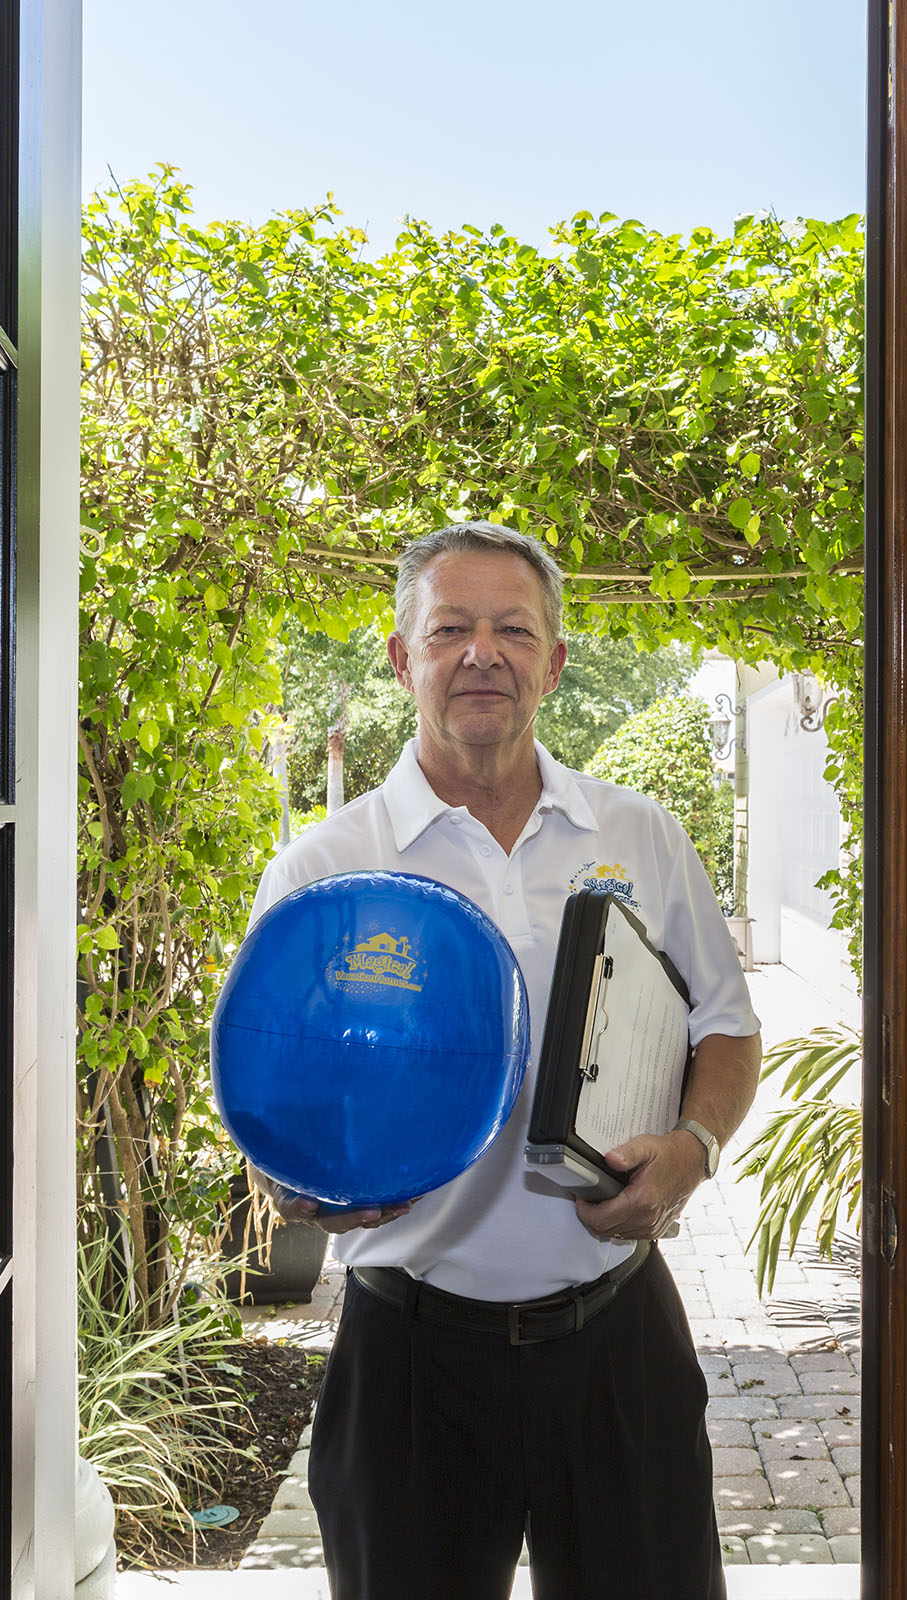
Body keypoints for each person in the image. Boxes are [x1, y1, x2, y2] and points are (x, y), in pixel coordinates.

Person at [246, 520, 762, 1599]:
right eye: (450, 629)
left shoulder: (643, 835)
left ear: (555, 662)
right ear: (402, 657)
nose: (483, 652)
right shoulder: (327, 867)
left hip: (616, 1336)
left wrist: (694, 1145)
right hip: (408, 1360)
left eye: (513, 629)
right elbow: (275, 1090)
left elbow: (726, 1024)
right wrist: (295, 1187)